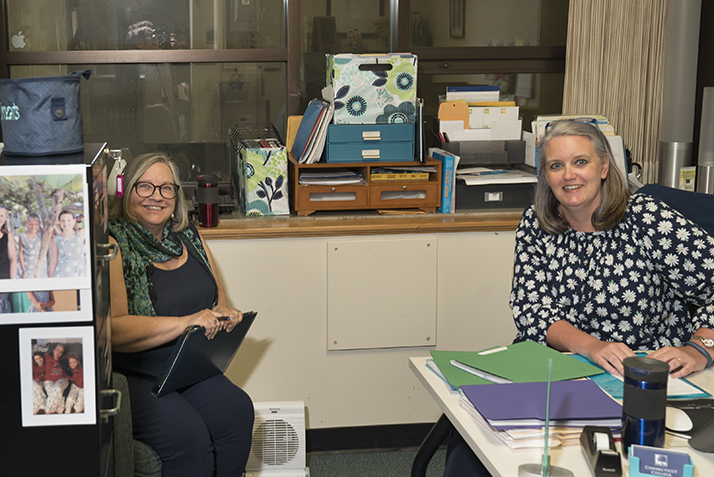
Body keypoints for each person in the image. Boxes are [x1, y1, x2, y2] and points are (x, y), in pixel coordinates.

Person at [444, 119, 714, 476]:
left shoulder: (648, 219)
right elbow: (531, 309)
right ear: (545, 174)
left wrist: (700, 347)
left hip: (639, 380)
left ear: (604, 166)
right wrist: (590, 346)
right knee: (475, 446)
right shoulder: (537, 223)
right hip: (556, 370)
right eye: (556, 165)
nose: (568, 175)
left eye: (580, 162)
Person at [108, 152, 253, 476]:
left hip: (190, 367)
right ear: (127, 191)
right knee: (189, 438)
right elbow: (114, 330)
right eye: (144, 187)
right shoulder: (115, 244)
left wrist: (225, 314)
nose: (156, 197)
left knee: (238, 412)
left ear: (177, 196)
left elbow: (218, 298)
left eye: (166, 188)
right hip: (139, 375)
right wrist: (186, 322)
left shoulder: (190, 237)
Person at [19, 213, 54, 312]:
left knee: (43, 291)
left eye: (36, 224)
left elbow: (50, 233)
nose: (33, 227)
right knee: (32, 291)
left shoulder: (40, 233)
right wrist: (23, 270)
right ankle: (37, 309)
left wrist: (48, 222)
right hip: (28, 268)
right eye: (31, 224)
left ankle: (43, 309)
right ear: (27, 223)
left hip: (40, 268)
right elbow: (21, 253)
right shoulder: (22, 236)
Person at [49, 210, 86, 278]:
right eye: (63, 220)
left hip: (79, 273)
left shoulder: (80, 234)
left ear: (74, 221)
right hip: (61, 274)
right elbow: (54, 261)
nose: (66, 223)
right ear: (59, 222)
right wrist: (51, 281)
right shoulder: (56, 239)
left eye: (69, 220)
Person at [42, 343, 69, 414]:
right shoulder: (46, 357)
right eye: (57, 350)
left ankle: (47, 411)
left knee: (58, 389)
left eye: (61, 352)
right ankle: (60, 411)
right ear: (53, 350)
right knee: (53, 393)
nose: (58, 353)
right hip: (48, 380)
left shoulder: (65, 359)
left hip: (62, 379)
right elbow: (36, 356)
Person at [0, 205, 18, 313]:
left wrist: (13, 282)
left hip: (4, 279)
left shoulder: (8, 236)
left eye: (1, 215)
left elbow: (13, 259)